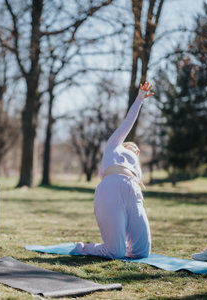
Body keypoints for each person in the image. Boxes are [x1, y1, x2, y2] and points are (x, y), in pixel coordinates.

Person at [72, 82, 154, 259]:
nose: (135, 149)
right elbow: (128, 122)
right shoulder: (114, 146)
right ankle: (85, 248)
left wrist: (136, 159)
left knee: (142, 252)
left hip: (133, 192)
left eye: (137, 151)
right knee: (115, 253)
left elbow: (136, 176)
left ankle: (117, 240)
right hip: (111, 189)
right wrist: (140, 98)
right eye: (131, 146)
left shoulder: (135, 168)